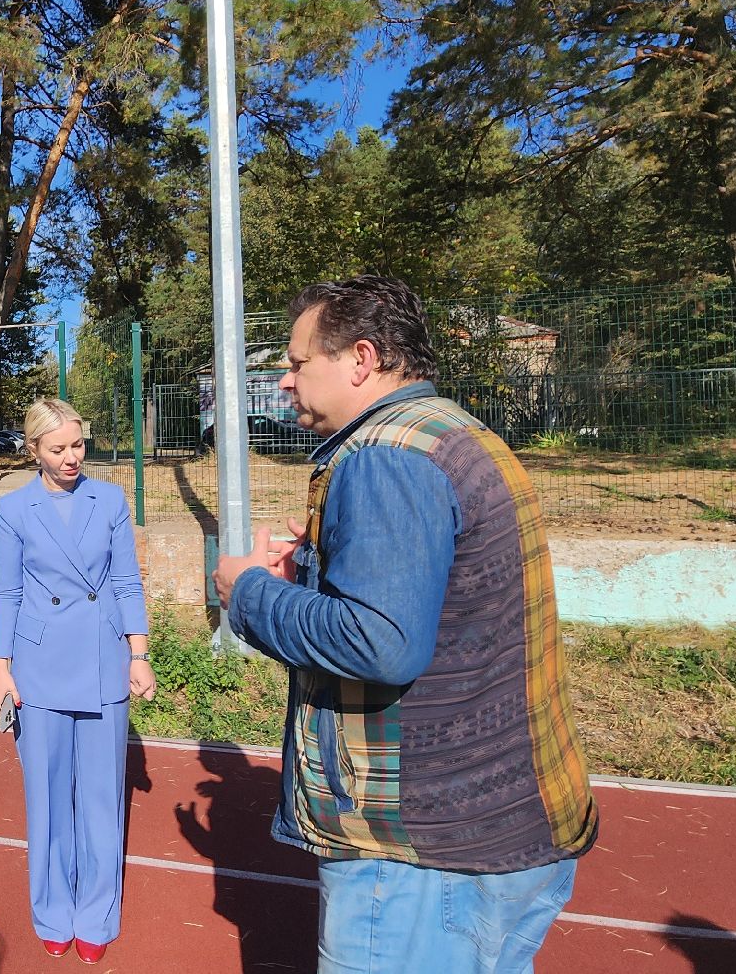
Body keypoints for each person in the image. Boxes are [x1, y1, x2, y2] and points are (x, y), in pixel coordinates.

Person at [211, 276, 599, 974]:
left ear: (361, 359)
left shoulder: (385, 457)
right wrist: (315, 568)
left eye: (298, 363)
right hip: (502, 823)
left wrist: (248, 594)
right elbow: (434, 600)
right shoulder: (455, 432)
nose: (286, 381)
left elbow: (378, 643)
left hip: (423, 852)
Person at [0, 398, 155, 965]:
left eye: (77, 445)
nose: (70, 457)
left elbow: (128, 580)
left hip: (104, 659)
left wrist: (139, 653)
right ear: (33, 450)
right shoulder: (12, 510)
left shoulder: (109, 499)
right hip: (38, 669)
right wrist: (0, 669)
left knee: (103, 799)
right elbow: (6, 593)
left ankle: (97, 914)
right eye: (57, 448)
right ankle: (52, 912)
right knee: (48, 798)